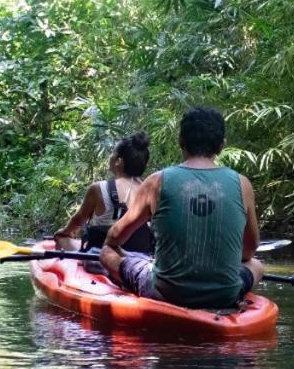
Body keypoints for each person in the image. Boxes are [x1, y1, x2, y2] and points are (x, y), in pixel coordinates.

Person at [99, 107, 265, 309]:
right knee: (257, 265)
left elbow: (114, 238)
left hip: (166, 293)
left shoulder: (156, 182)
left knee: (107, 252)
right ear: (221, 146)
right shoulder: (243, 184)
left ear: (180, 141)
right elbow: (250, 249)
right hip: (225, 294)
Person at [54, 132, 154, 254]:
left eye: (113, 153)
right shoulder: (152, 191)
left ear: (118, 161)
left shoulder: (98, 188)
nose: (110, 156)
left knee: (60, 238)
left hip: (100, 257)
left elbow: (77, 221)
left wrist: (64, 232)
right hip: (139, 257)